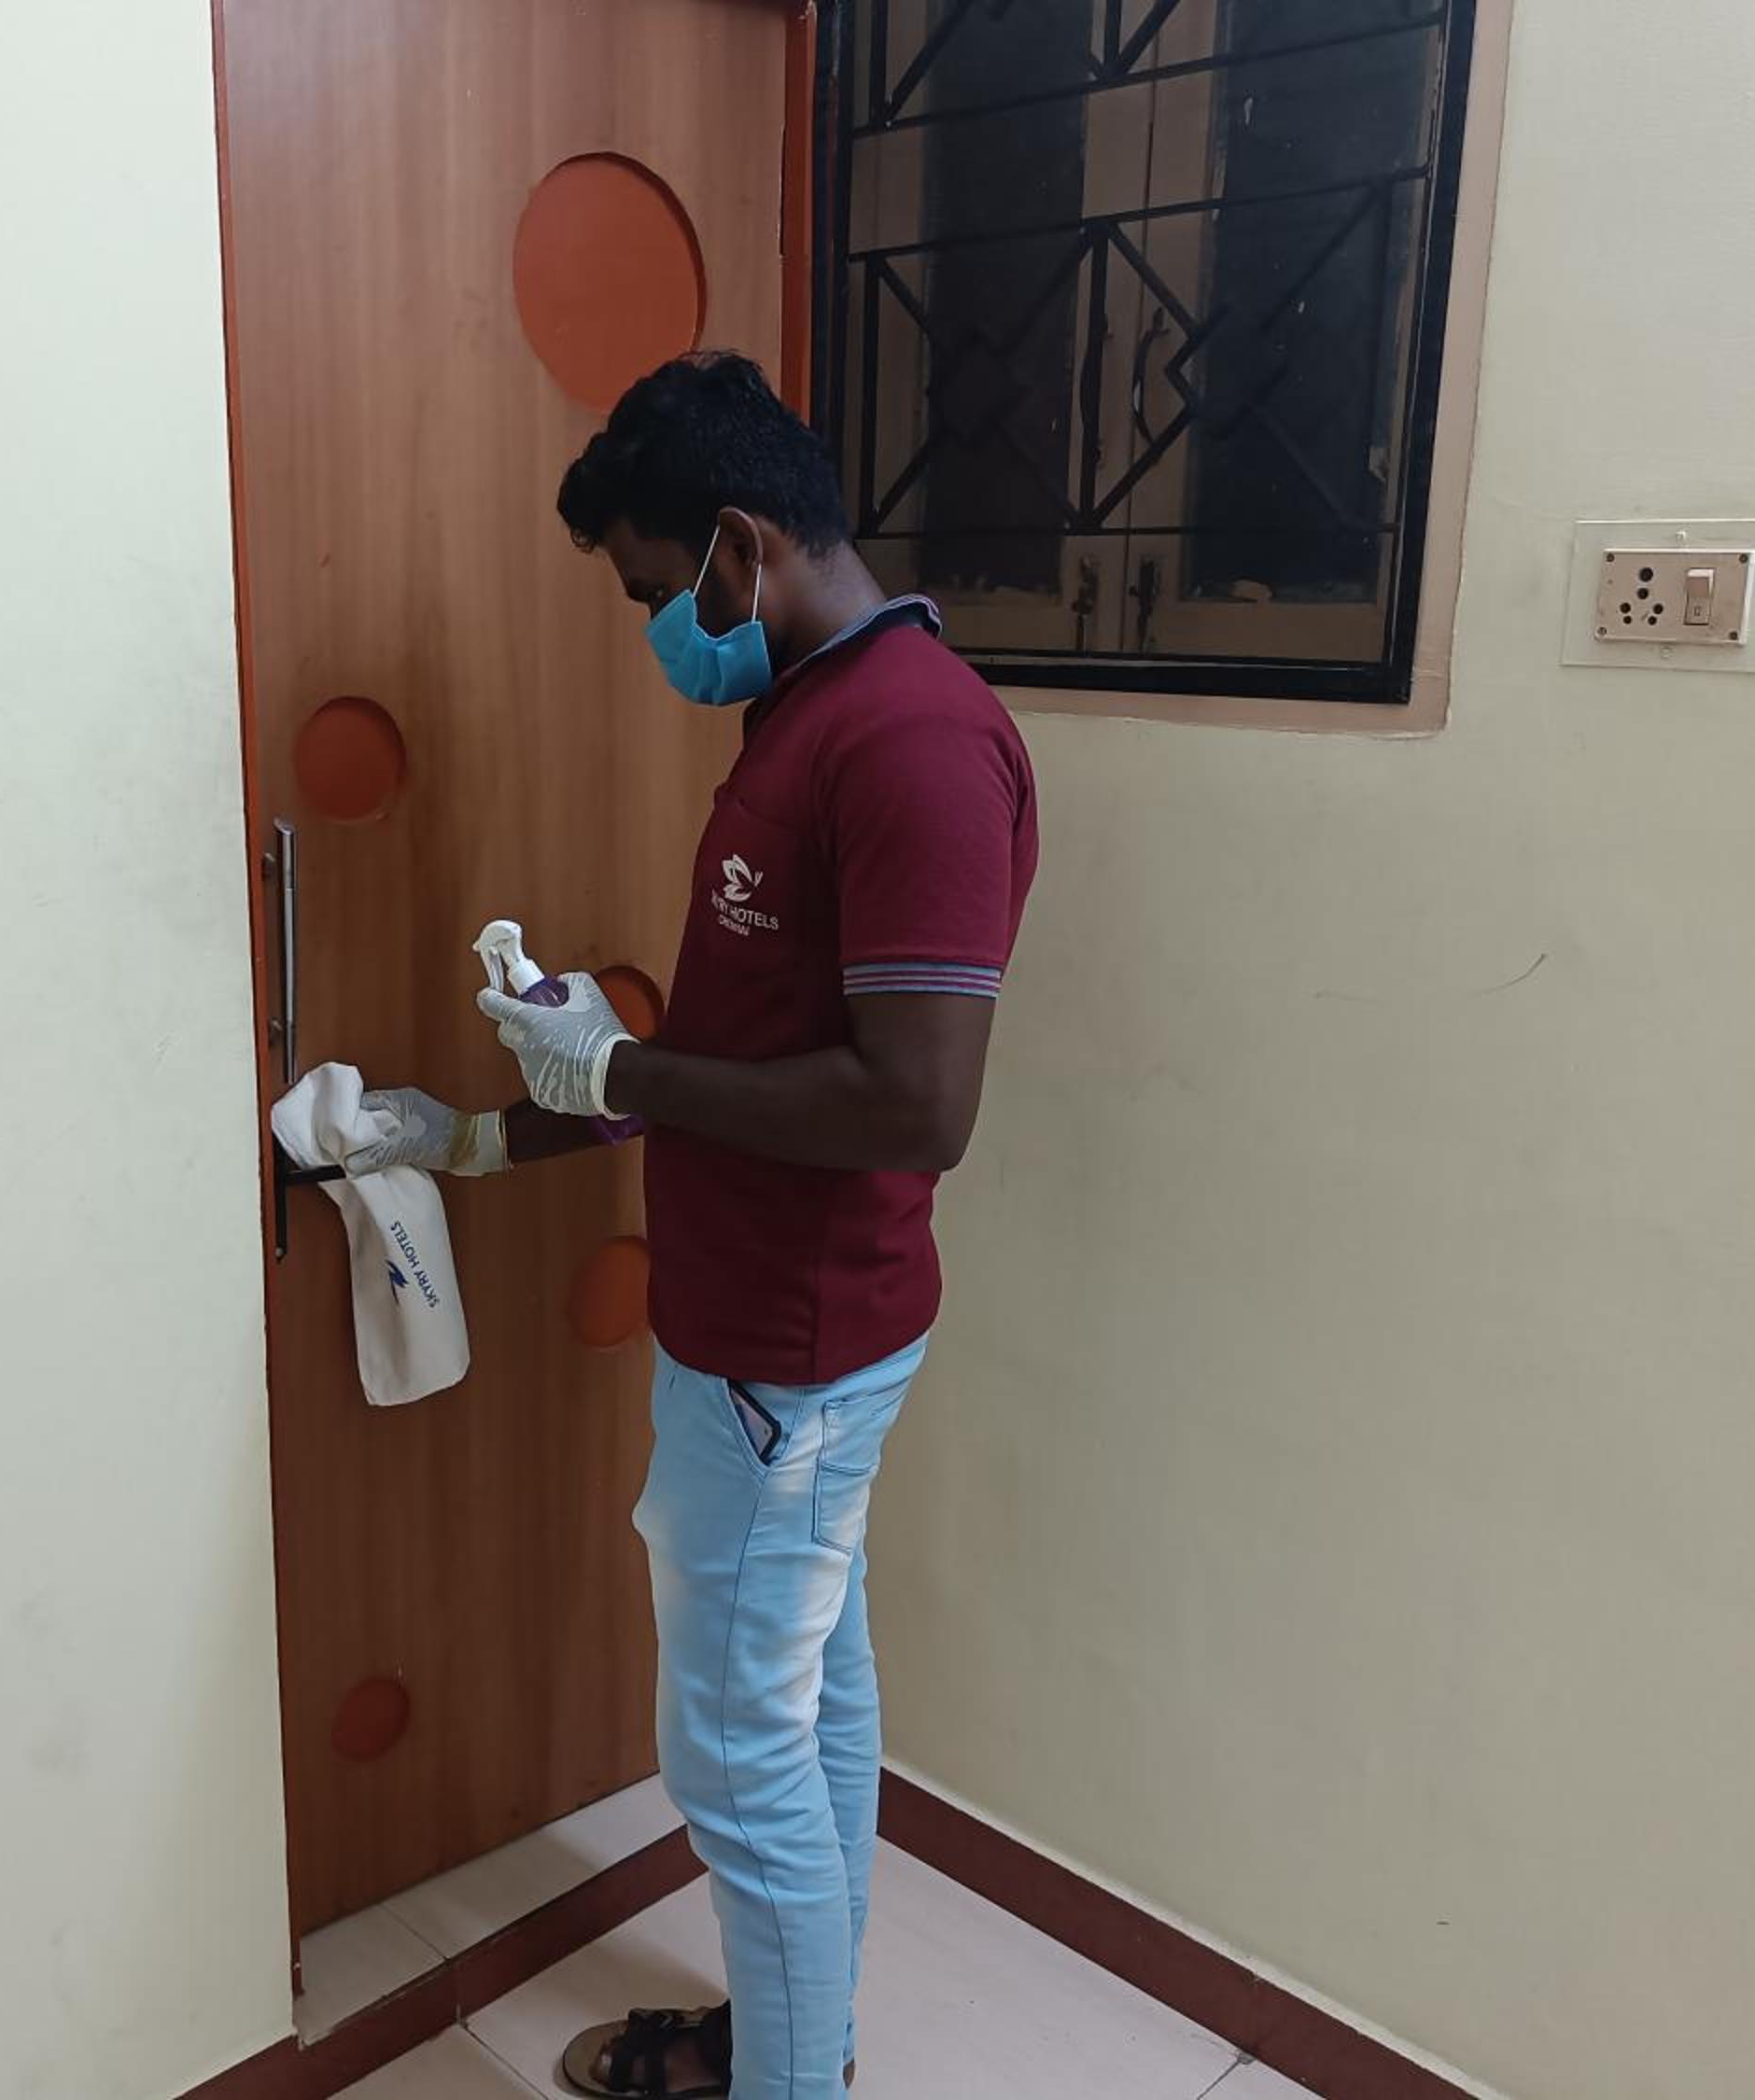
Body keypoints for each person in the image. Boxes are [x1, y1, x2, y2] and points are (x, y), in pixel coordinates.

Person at [347, 352, 1038, 2100]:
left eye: (662, 590)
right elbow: (749, 1055)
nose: (664, 630)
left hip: (787, 1351)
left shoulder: (914, 741)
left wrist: (626, 1065)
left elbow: (919, 1103)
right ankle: (806, 2036)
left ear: (743, 542)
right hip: (775, 1330)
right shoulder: (805, 715)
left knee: (735, 1757)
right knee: (811, 1695)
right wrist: (495, 1126)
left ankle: (794, 2071)